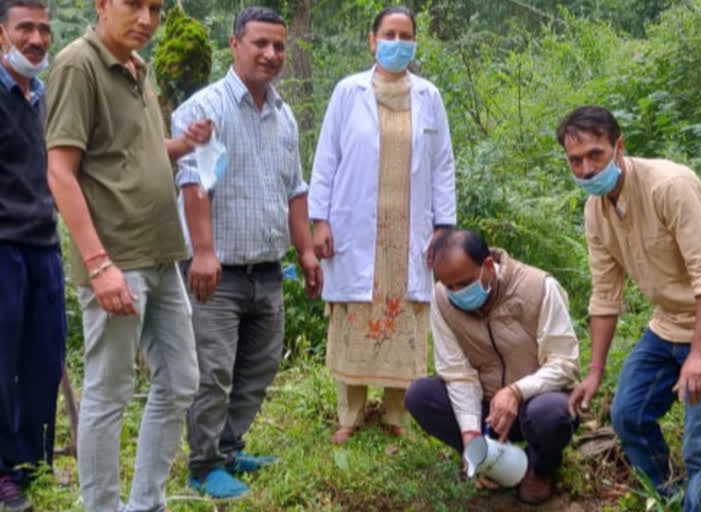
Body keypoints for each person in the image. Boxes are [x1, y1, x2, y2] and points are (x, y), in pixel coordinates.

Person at [45, 0, 213, 510]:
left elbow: (132, 152)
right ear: (101, 5)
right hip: (117, 260)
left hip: (162, 254)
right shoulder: (79, 64)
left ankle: (146, 503)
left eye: (155, 9)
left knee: (181, 380)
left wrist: (181, 145)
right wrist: (99, 265)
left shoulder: (138, 68)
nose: (146, 18)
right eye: (133, 5)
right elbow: (61, 171)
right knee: (109, 392)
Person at [559, 106, 701, 512]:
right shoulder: (595, 211)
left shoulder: (669, 185)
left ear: (619, 147)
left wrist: (700, 354)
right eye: (575, 160)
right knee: (628, 415)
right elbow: (605, 294)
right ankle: (672, 496)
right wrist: (595, 373)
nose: (585, 169)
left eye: (595, 155)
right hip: (668, 324)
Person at [171, 6, 322, 499]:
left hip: (268, 268)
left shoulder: (284, 117)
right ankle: (203, 465)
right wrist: (204, 252)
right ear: (235, 44)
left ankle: (230, 449)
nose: (271, 54)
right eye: (260, 43)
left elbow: (295, 190)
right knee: (212, 371)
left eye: (278, 46)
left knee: (258, 366)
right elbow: (193, 181)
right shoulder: (203, 109)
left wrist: (306, 252)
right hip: (217, 271)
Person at [308, 5, 456, 444]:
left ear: (414, 41)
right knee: (356, 318)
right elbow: (326, 159)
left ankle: (398, 415)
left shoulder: (429, 96)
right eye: (388, 35)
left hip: (410, 230)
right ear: (372, 41)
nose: (397, 43)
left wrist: (444, 226)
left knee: (404, 324)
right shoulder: (346, 92)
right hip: (355, 228)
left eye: (405, 35)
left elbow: (443, 165)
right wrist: (320, 220)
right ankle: (349, 415)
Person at [405, 229, 580, 504]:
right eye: (448, 286)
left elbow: (564, 363)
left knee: (550, 415)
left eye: (463, 283)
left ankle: (539, 468)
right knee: (420, 395)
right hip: (487, 409)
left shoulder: (538, 287)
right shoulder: (442, 300)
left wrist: (516, 391)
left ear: (488, 265)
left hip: (536, 402)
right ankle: (494, 459)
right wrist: (471, 438)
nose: (456, 293)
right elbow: (457, 373)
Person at [0, 2, 64, 511]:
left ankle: (31, 464)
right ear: (3, 33)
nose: (37, 38)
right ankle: (3, 472)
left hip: (44, 243)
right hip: (3, 247)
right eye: (26, 28)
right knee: (1, 363)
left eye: (44, 28)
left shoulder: (42, 97)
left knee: (44, 357)